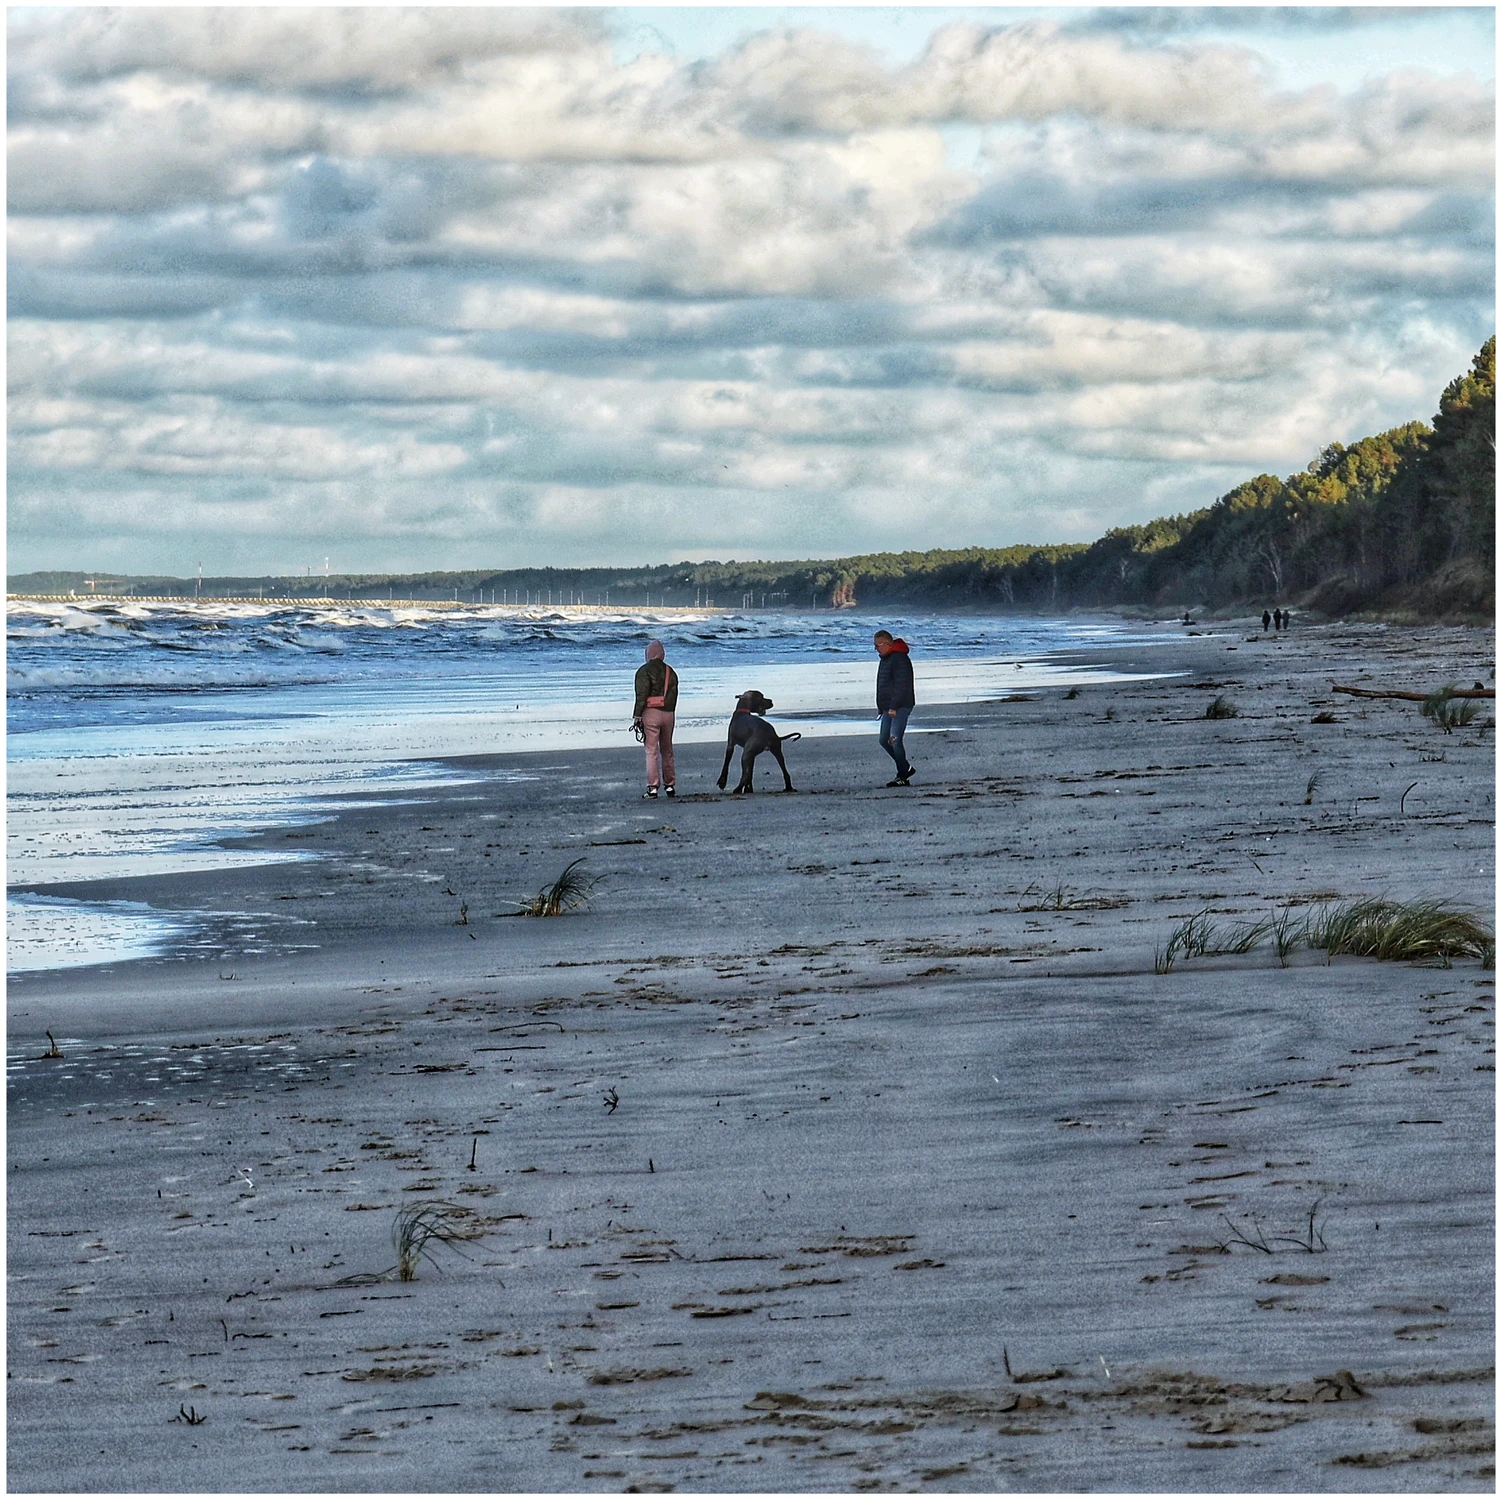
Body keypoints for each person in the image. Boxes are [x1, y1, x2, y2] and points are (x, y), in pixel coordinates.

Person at [633, 640, 677, 798]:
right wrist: (669, 711)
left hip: (650, 713)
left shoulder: (643, 671)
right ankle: (670, 785)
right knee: (667, 750)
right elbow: (674, 695)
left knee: (651, 751)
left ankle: (653, 787)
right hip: (669, 714)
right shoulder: (671, 671)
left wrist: (637, 715)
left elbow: (641, 696)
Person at [873, 629, 915, 787]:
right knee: (884, 740)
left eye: (878, 645)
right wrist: (881, 706)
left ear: (887, 644)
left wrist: (893, 706)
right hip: (888, 707)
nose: (876, 649)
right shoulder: (885, 658)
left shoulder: (899, 658)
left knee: (894, 740)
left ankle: (902, 776)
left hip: (900, 705)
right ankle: (905, 767)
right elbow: (883, 684)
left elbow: (901, 685)